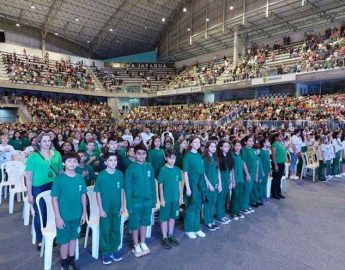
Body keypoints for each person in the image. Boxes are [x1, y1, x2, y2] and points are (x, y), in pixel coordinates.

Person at [26, 133, 63, 250]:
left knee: (55, 212)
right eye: (44, 141)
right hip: (39, 187)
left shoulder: (57, 154)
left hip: (54, 185)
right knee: (40, 214)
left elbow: (60, 172)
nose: (47, 143)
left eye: (49, 140)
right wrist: (30, 194)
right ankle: (40, 239)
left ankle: (53, 236)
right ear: (39, 143)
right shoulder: (33, 157)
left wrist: (62, 187)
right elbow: (29, 177)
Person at [51, 152, 87, 270]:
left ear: (78, 163)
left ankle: (71, 261)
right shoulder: (59, 179)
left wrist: (84, 212)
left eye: (75, 161)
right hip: (64, 217)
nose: (72, 163)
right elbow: (54, 199)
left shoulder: (80, 177)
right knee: (64, 241)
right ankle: (64, 263)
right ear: (64, 163)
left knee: (74, 239)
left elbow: (83, 196)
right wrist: (58, 217)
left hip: (77, 215)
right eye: (69, 161)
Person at [124, 144, 157, 257]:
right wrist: (129, 204)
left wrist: (154, 200)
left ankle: (142, 242)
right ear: (134, 154)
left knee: (144, 222)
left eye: (143, 154)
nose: (141, 156)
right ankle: (136, 244)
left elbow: (153, 184)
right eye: (139, 153)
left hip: (147, 201)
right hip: (135, 202)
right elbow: (127, 188)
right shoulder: (130, 168)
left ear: (146, 155)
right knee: (134, 224)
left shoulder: (149, 167)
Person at [95, 152, 125, 265]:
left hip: (117, 208)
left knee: (116, 229)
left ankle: (114, 249)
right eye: (111, 160)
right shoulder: (101, 176)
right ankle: (106, 252)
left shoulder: (120, 174)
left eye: (115, 160)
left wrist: (122, 205)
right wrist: (101, 209)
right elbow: (98, 193)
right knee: (105, 230)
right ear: (105, 162)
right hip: (105, 209)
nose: (113, 162)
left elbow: (122, 190)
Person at [158, 149, 183, 249]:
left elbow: (179, 184)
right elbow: (160, 185)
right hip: (166, 199)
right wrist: (162, 199)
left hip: (175, 198)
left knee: (173, 217)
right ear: (166, 158)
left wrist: (180, 196)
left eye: (174, 158)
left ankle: (170, 235)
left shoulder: (177, 169)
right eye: (170, 158)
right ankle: (164, 237)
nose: (172, 160)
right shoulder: (163, 170)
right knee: (164, 218)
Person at [183, 136, 206, 239]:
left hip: (200, 182)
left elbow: (202, 171)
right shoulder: (187, 156)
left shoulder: (199, 155)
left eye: (198, 142)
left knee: (198, 205)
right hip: (192, 182)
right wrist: (188, 187)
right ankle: (188, 229)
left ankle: (196, 228)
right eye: (195, 142)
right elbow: (186, 173)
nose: (197, 144)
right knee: (191, 206)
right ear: (191, 144)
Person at [203, 140, 222, 231]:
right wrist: (209, 184)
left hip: (215, 183)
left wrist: (220, 183)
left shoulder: (215, 158)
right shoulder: (205, 159)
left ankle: (211, 220)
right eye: (211, 146)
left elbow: (218, 171)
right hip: (208, 185)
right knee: (208, 203)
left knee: (213, 202)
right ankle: (207, 222)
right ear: (207, 148)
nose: (213, 148)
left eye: (215, 147)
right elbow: (203, 173)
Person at [215, 140, 233, 224]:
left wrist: (230, 181)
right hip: (220, 180)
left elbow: (230, 170)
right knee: (220, 198)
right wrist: (219, 183)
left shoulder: (229, 156)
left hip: (227, 179)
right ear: (220, 147)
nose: (227, 148)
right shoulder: (218, 157)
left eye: (228, 146)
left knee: (224, 198)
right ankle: (219, 216)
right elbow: (218, 171)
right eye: (225, 146)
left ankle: (222, 214)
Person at [241, 135, 260, 212]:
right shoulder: (244, 150)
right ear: (245, 142)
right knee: (246, 190)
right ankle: (243, 206)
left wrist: (255, 175)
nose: (252, 142)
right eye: (249, 141)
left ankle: (246, 205)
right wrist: (247, 174)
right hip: (247, 173)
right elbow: (244, 163)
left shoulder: (252, 150)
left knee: (249, 190)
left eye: (252, 141)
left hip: (253, 172)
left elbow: (256, 162)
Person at [230, 139, 247, 220]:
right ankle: (233, 212)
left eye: (239, 145)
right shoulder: (232, 155)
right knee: (235, 196)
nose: (238, 147)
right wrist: (233, 181)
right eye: (236, 145)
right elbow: (232, 169)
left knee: (240, 195)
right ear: (233, 146)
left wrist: (247, 174)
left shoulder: (241, 154)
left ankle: (238, 211)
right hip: (235, 179)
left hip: (241, 178)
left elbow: (244, 164)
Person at [270, 132, 286, 199]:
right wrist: (275, 165)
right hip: (277, 163)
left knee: (279, 178)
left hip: (282, 163)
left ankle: (279, 192)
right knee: (275, 179)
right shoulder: (274, 145)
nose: (281, 137)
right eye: (280, 136)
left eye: (282, 136)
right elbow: (273, 156)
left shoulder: (282, 144)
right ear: (276, 138)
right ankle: (274, 193)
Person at [259, 138, 271, 204]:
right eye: (267, 141)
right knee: (262, 184)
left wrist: (269, 169)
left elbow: (268, 161)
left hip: (266, 169)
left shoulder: (267, 151)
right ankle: (261, 198)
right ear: (264, 144)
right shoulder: (262, 151)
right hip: (263, 170)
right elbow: (260, 162)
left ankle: (264, 196)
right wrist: (261, 171)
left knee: (265, 183)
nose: (269, 142)